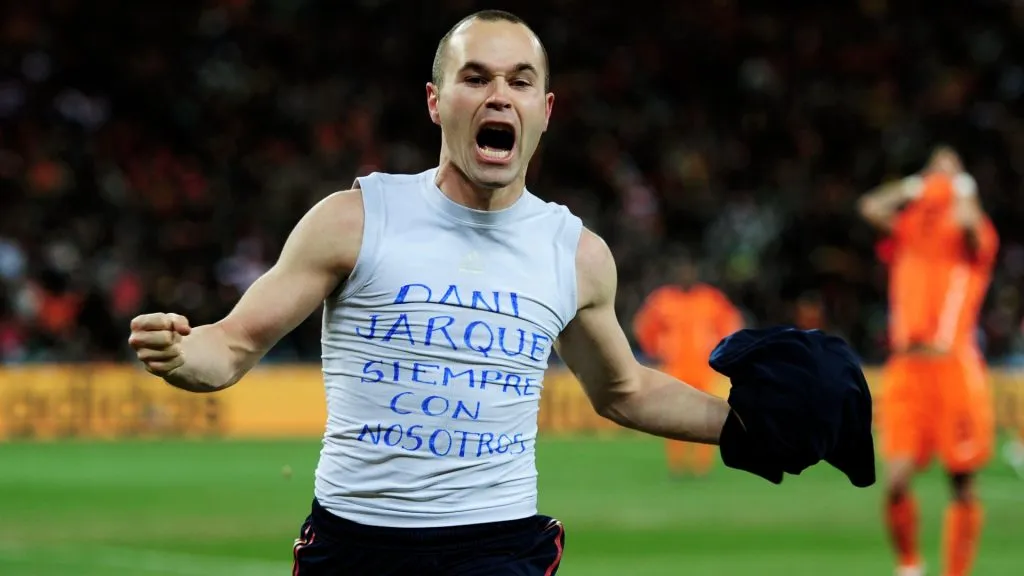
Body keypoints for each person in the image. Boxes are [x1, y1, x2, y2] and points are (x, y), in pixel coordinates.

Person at [129, 10, 861, 575]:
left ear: (545, 108)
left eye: (517, 81)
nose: (497, 95)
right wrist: (182, 353)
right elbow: (232, 345)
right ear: (435, 100)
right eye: (475, 77)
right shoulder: (355, 219)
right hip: (352, 546)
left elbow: (624, 390)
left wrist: (740, 424)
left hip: (497, 546)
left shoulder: (575, 254)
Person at [858, 146, 999, 576]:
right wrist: (916, 184)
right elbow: (868, 206)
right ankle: (910, 565)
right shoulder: (909, 229)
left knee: (962, 481)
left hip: (953, 365)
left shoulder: (973, 238)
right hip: (905, 368)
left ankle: (957, 572)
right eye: (933, 167)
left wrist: (961, 183)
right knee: (896, 479)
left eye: (948, 168)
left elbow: (972, 224)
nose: (939, 174)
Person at [633, 248, 743, 478]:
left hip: (703, 368)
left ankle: (702, 466)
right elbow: (644, 327)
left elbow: (731, 324)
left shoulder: (710, 299)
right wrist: (656, 350)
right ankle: (677, 464)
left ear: (695, 273)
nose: (685, 276)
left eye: (689, 272)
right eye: (681, 272)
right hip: (675, 368)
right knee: (673, 416)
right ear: (675, 275)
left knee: (705, 416)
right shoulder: (662, 300)